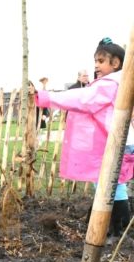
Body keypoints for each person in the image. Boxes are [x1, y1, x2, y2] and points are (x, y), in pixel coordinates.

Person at [34, 37, 134, 241]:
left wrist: (47, 97)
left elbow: (82, 99)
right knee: (110, 183)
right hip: (118, 140)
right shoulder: (118, 82)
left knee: (111, 184)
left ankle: (119, 227)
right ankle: (108, 225)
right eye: (95, 60)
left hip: (115, 141)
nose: (95, 65)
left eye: (101, 61)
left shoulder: (109, 84)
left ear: (115, 63)